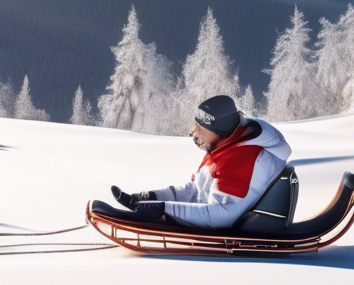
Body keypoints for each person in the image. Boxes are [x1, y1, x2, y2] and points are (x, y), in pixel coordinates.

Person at [110, 95, 291, 229]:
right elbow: (196, 191)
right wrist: (151, 197)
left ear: (218, 131)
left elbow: (221, 216)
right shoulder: (224, 146)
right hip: (215, 215)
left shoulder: (243, 158)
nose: (192, 132)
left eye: (199, 128)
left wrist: (161, 210)